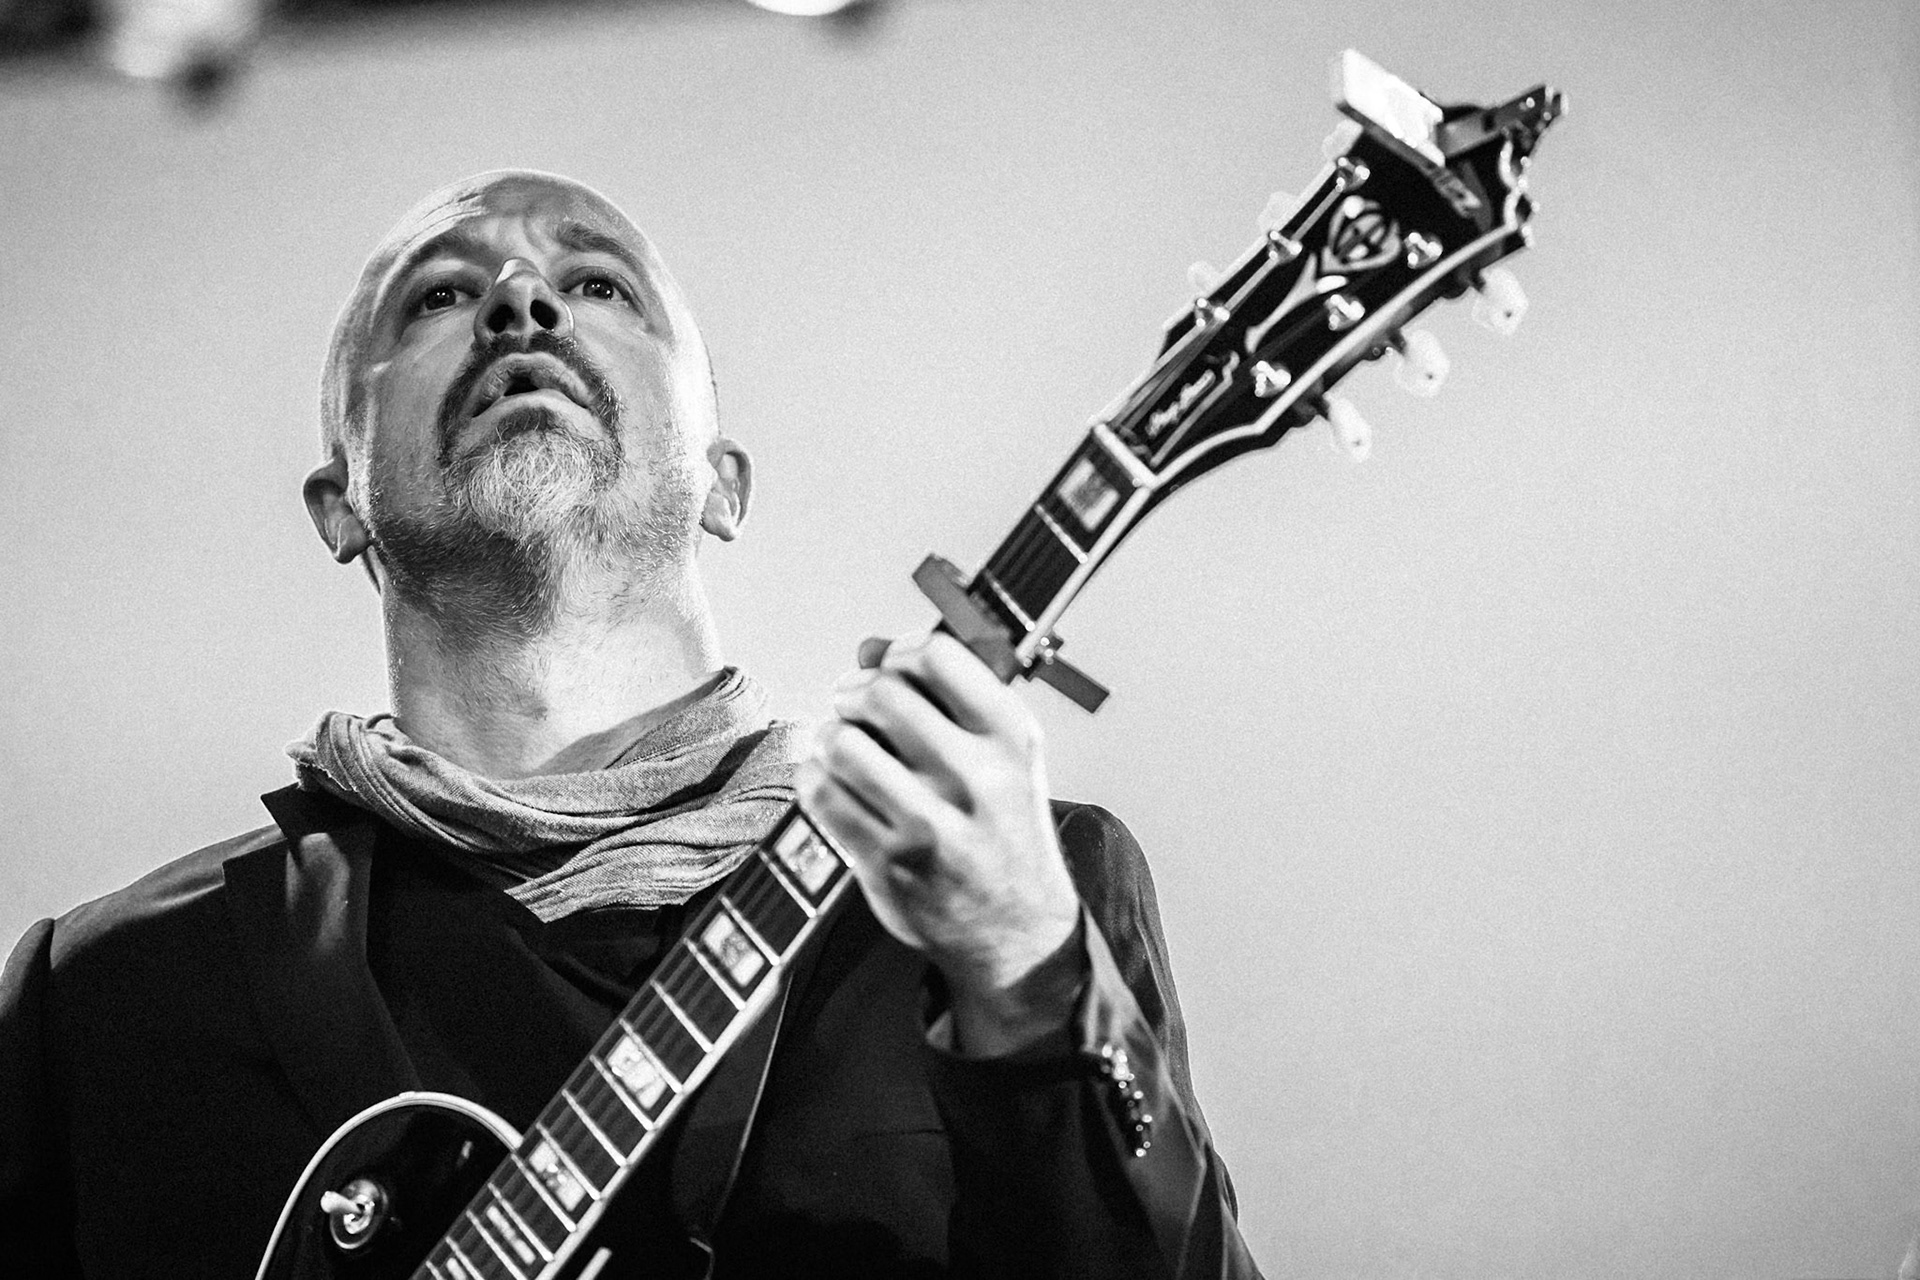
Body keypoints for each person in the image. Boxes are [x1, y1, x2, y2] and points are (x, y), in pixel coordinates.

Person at [0, 170, 1260, 1278]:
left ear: (722, 482)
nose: (518, 304)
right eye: (438, 300)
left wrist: (1025, 962)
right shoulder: (107, 997)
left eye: (597, 284)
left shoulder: (1024, 892)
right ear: (340, 504)